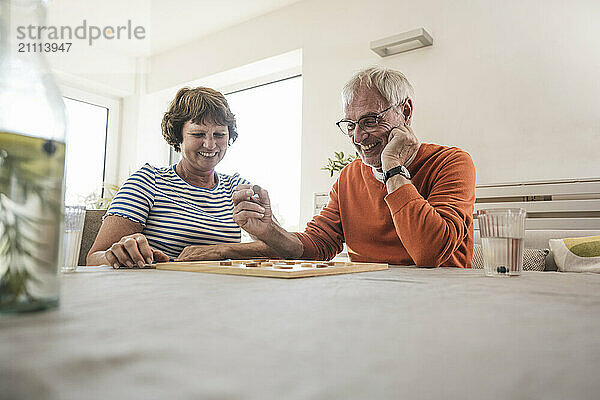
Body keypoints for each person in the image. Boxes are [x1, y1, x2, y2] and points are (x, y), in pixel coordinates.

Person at [179, 67, 475, 267]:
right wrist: (269, 231)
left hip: (439, 301)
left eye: (370, 121)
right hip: (370, 300)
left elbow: (429, 252)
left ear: (405, 112)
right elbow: (315, 246)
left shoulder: (451, 163)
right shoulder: (348, 178)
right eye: (350, 125)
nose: (358, 137)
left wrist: (393, 169)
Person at [87, 87, 250, 268]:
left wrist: (222, 250)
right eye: (198, 134)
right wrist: (119, 255)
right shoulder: (148, 181)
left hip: (224, 290)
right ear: (178, 135)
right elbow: (94, 258)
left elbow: (282, 244)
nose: (210, 144)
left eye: (219, 134)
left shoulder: (237, 187)